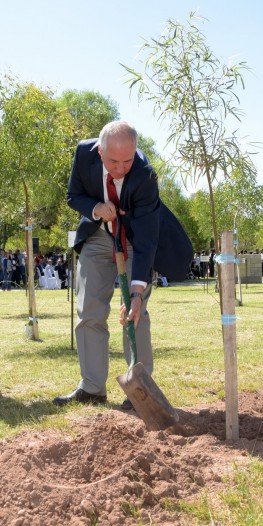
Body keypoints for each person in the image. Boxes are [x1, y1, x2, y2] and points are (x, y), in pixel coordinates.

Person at [55, 120, 191, 409]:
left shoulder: (144, 174)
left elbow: (146, 240)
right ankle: (92, 387)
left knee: (134, 312)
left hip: (135, 238)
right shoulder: (83, 154)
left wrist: (137, 292)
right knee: (89, 309)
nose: (120, 168)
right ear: (99, 151)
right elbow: (73, 195)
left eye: (127, 160)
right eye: (113, 161)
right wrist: (95, 208)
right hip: (98, 234)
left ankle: (138, 389)